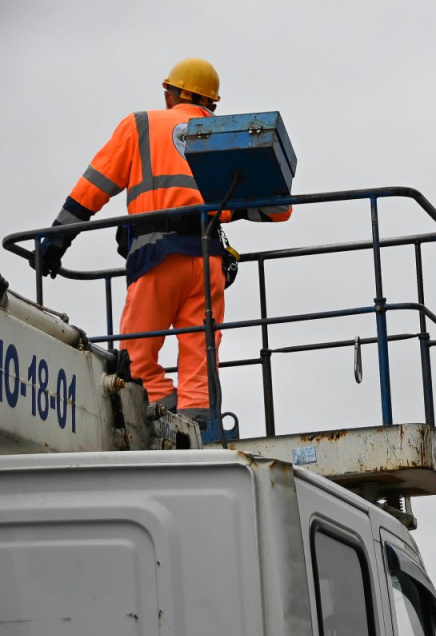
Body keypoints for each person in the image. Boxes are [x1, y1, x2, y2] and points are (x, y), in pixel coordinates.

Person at [36, 58, 291, 424]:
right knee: (201, 354)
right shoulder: (224, 135)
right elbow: (280, 209)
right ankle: (198, 425)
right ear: (212, 104)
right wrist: (224, 211)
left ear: (170, 93)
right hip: (208, 261)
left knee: (135, 356)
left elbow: (90, 190)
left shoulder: (140, 125)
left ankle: (159, 399)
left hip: (156, 256)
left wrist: (55, 242)